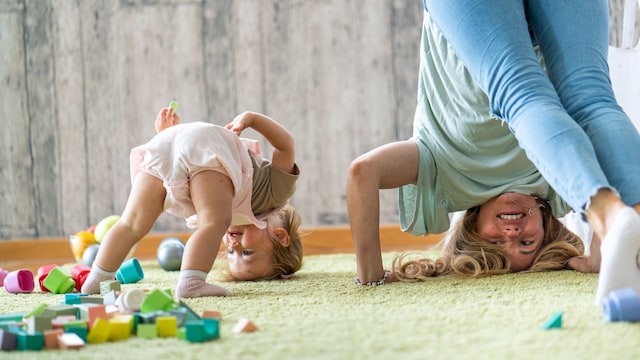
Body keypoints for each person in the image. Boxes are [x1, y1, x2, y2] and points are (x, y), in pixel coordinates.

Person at [347, 1, 640, 304]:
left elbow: (363, 172)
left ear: (471, 229)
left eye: (495, 241)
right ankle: (623, 222)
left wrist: (371, 277)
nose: (512, 234)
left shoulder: (444, 174)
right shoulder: (560, 184)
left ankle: (612, 216)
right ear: (544, 220)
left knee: (527, 94)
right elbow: (604, 159)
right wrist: (598, 252)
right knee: (594, 100)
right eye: (527, 242)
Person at [81, 107, 303, 298]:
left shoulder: (223, 200)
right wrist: (252, 119)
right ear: (280, 236)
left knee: (131, 224)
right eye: (247, 253)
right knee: (213, 223)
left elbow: (183, 170)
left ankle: (97, 280)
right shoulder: (276, 192)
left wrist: (167, 138)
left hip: (166, 144)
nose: (234, 246)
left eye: (232, 254)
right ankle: (192, 283)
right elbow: (285, 146)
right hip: (207, 146)